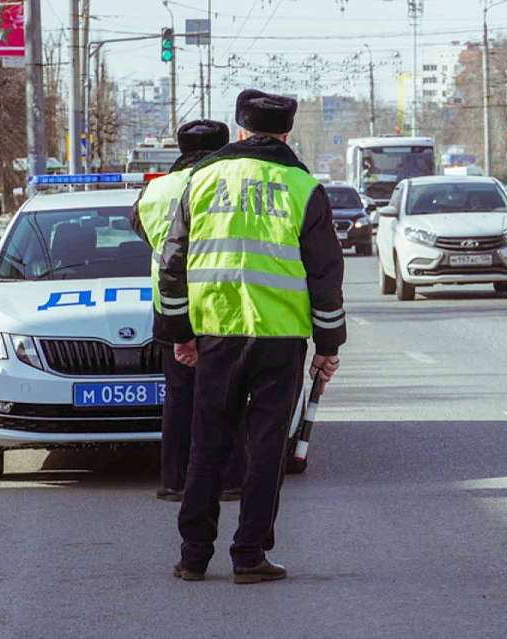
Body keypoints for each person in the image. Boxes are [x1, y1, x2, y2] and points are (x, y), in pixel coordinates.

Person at [157, 90, 346, 584]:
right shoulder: (302, 187)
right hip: (280, 336)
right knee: (265, 449)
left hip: (215, 332)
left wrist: (179, 332)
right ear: (286, 133)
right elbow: (325, 275)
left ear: (239, 130)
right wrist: (328, 347)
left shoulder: (200, 180)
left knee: (207, 444)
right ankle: (249, 555)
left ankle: (193, 555)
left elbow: (172, 263)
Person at [131, 119, 231, 502]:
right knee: (225, 396)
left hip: (169, 304)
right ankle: (228, 479)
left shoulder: (155, 190)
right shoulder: (223, 185)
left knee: (178, 397)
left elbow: (140, 228)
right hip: (221, 302)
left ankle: (173, 480)